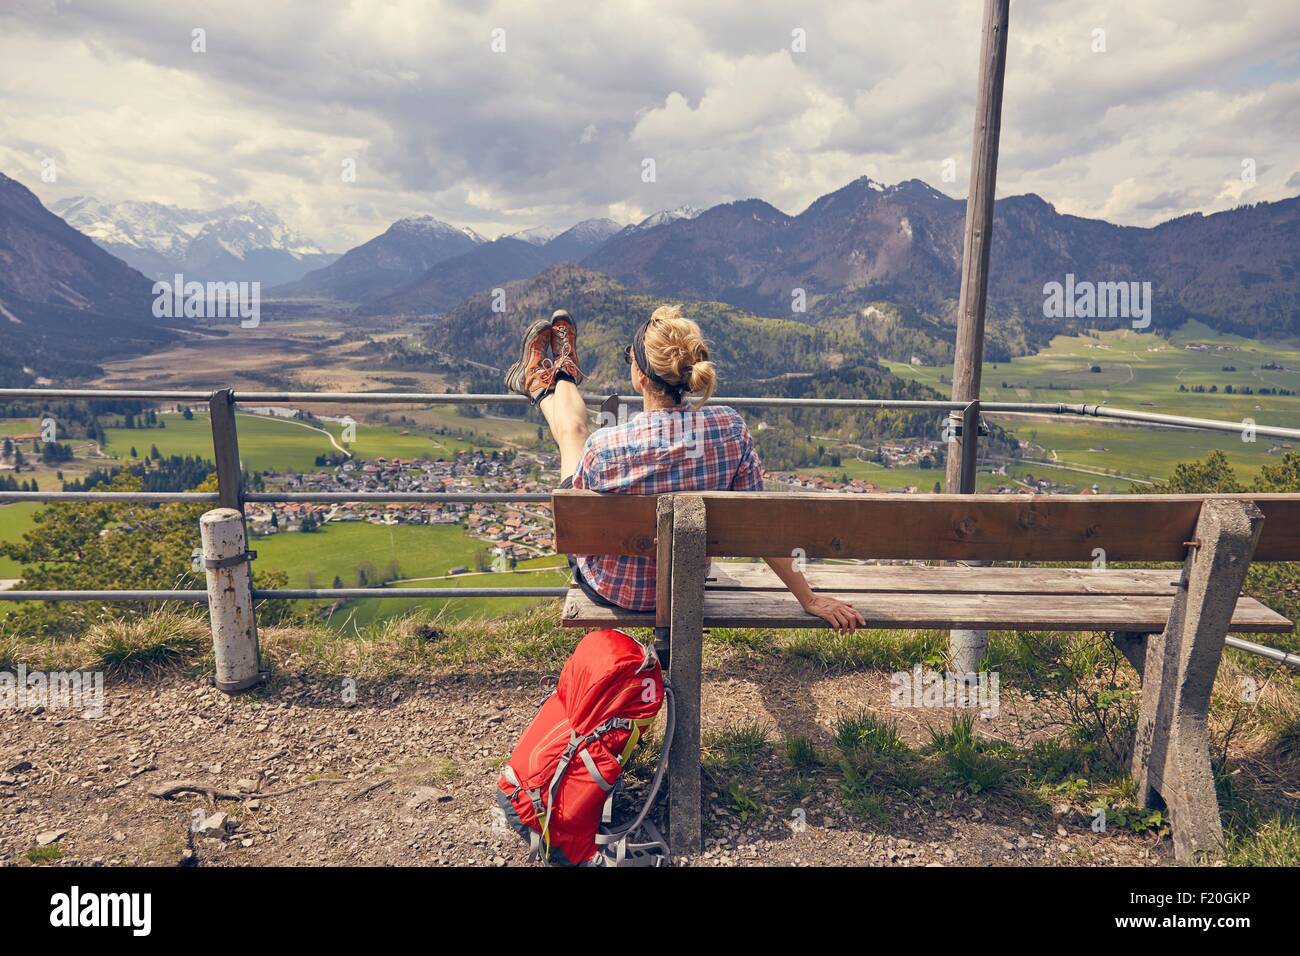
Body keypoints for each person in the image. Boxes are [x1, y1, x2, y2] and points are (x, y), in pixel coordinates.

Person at [505, 304, 866, 633]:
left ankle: (552, 378)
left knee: (574, 435)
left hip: (614, 590)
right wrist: (809, 598)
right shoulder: (730, 429)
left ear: (641, 377)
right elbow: (762, 525)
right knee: (577, 440)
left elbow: (576, 530)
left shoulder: (606, 447)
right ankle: (550, 375)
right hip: (686, 584)